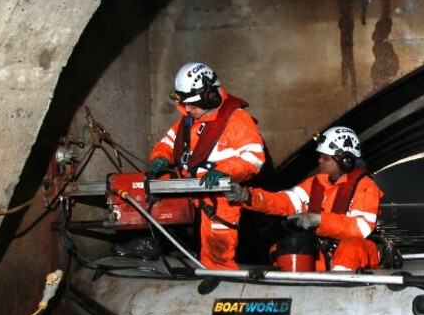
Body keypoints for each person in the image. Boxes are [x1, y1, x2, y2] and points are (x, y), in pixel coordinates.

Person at [148, 62, 266, 269]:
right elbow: (168, 143)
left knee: (217, 254)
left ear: (210, 97)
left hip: (218, 198)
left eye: (192, 105)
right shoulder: (187, 120)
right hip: (189, 193)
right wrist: (160, 157)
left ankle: (220, 282)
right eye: (185, 105)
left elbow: (253, 158)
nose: (187, 110)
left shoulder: (237, 120)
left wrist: (222, 171)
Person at [224, 126, 383, 271]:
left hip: (358, 251)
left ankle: (337, 289)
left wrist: (319, 221)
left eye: (325, 158)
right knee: (284, 248)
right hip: (326, 251)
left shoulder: (365, 186)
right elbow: (284, 201)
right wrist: (247, 196)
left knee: (350, 248)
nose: (319, 161)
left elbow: (359, 229)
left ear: (345, 161)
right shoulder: (315, 183)